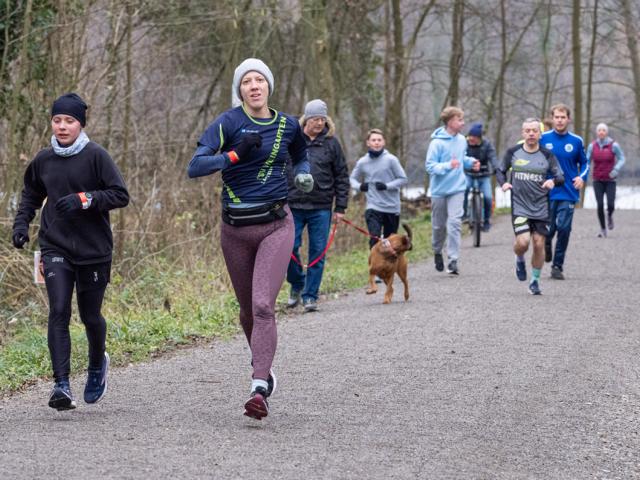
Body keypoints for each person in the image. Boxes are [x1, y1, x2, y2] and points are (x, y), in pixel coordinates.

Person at [187, 58, 312, 421]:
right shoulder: (227, 123)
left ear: (269, 86)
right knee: (247, 311)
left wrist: (303, 173)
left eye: (260, 80)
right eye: (247, 81)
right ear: (240, 89)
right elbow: (195, 166)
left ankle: (259, 386)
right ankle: (264, 365)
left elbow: (300, 154)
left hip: (276, 224)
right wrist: (234, 153)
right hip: (235, 230)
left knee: (262, 306)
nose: (254, 86)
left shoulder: (288, 124)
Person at [12, 93, 129, 410]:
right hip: (55, 246)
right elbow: (30, 194)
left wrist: (84, 199)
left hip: (94, 250)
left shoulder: (96, 156)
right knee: (59, 310)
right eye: (57, 120)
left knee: (90, 316)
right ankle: (61, 385)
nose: (62, 126)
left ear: (81, 125)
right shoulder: (43, 160)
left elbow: (120, 195)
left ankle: (96, 365)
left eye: (69, 121)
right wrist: (21, 225)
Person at [286, 99, 349, 313]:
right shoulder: (293, 140)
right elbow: (280, 169)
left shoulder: (332, 143)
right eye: (315, 119)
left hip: (321, 207)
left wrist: (340, 207)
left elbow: (341, 176)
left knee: (318, 252)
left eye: (323, 119)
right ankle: (297, 282)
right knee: (288, 248)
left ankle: (310, 296)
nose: (319, 123)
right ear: (306, 119)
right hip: (293, 204)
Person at [497, 118, 564, 295]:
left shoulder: (547, 155)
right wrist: (503, 183)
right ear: (523, 133)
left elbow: (560, 176)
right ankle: (519, 258)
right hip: (520, 207)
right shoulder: (513, 152)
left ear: (540, 134)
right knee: (523, 242)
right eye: (528, 131)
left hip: (541, 208)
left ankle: (534, 281)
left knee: (539, 244)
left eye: (534, 131)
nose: (531, 134)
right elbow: (500, 170)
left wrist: (552, 181)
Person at [425, 106, 480, 275]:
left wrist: (471, 162)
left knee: (455, 223)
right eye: (459, 120)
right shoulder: (436, 143)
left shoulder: (462, 140)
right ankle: (437, 251)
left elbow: (461, 158)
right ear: (450, 122)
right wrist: (448, 165)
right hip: (439, 190)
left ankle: (453, 260)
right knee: (439, 226)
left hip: (457, 188)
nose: (463, 123)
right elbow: (430, 166)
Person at [541, 103, 589, 279]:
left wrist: (581, 177)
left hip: (568, 191)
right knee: (549, 229)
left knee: (564, 228)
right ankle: (546, 243)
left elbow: (585, 163)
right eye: (557, 117)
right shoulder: (543, 138)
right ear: (552, 119)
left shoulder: (576, 141)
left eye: (563, 117)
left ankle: (557, 266)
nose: (560, 120)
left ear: (568, 119)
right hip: (547, 191)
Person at [349, 129, 408, 250]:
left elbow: (403, 179)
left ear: (384, 142)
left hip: (391, 206)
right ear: (368, 143)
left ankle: (389, 262)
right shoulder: (363, 162)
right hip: (373, 206)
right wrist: (359, 186)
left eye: (379, 140)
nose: (376, 142)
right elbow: (352, 179)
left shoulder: (391, 160)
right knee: (374, 238)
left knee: (390, 242)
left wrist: (387, 186)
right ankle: (374, 261)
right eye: (373, 140)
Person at [586, 123, 625, 237]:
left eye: (603, 130)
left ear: (606, 132)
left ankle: (609, 215)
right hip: (597, 179)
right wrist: (583, 172)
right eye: (599, 130)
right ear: (597, 132)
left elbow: (622, 158)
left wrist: (616, 169)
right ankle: (603, 229)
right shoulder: (592, 146)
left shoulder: (614, 145)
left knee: (611, 204)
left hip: (610, 180)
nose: (601, 132)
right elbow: (587, 161)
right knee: (599, 205)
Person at [462, 122, 498, 231]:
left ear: (479, 138)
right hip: (468, 174)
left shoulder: (487, 145)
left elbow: (493, 157)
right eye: (470, 136)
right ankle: (464, 214)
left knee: (488, 197)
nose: (471, 139)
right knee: (464, 188)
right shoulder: (463, 143)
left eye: (473, 137)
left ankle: (486, 220)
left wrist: (496, 168)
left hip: (483, 175)